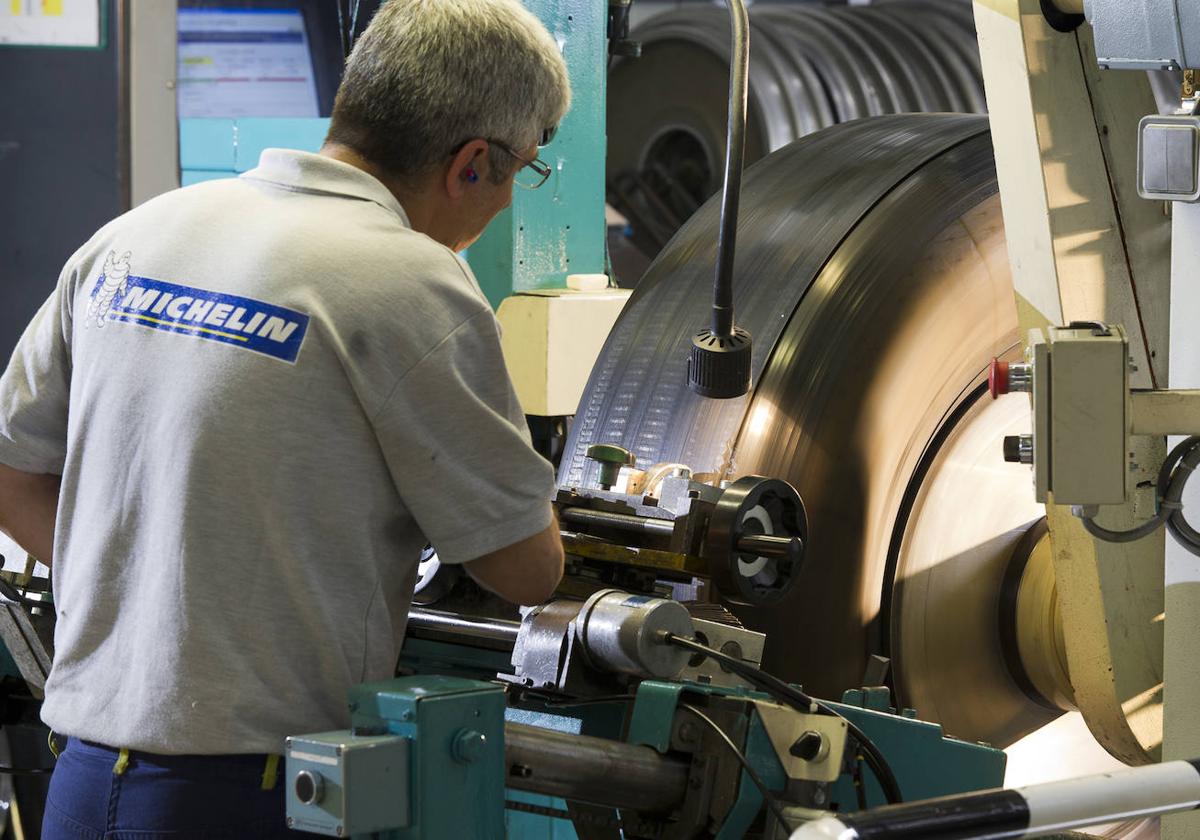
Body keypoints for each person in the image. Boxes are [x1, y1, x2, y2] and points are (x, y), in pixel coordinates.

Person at [0, 0, 569, 836]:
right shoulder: (412, 281)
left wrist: (152, 585)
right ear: (473, 162)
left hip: (83, 781)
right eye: (525, 168)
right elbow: (526, 571)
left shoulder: (136, 234)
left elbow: (12, 473)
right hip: (251, 794)